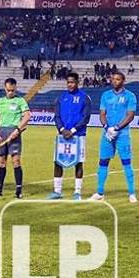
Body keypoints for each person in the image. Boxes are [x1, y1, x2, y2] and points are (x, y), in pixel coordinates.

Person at [49, 72, 94, 200]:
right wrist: (62, 129)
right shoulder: (61, 97)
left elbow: (86, 117)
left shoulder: (85, 98)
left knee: (78, 163)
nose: (70, 84)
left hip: (78, 136)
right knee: (58, 162)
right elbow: (56, 116)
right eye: (68, 82)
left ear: (77, 82)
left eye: (72, 82)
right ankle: (57, 191)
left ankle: (77, 192)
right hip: (62, 136)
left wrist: (72, 130)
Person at [95, 70, 137, 202]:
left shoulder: (130, 96)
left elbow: (130, 115)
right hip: (107, 135)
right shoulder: (105, 95)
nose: (114, 81)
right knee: (103, 162)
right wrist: (107, 128)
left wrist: (117, 128)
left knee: (126, 163)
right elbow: (102, 114)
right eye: (113, 79)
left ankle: (132, 193)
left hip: (122, 134)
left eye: (117, 79)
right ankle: (100, 193)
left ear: (123, 81)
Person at [0, 77, 31, 198]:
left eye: (12, 90)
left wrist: (18, 130)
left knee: (16, 161)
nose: (10, 92)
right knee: (1, 162)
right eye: (8, 90)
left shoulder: (20, 101)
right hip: (2, 132)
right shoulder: (0, 101)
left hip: (14, 132)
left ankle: (18, 190)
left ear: (16, 89)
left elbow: (27, 116)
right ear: (5, 88)